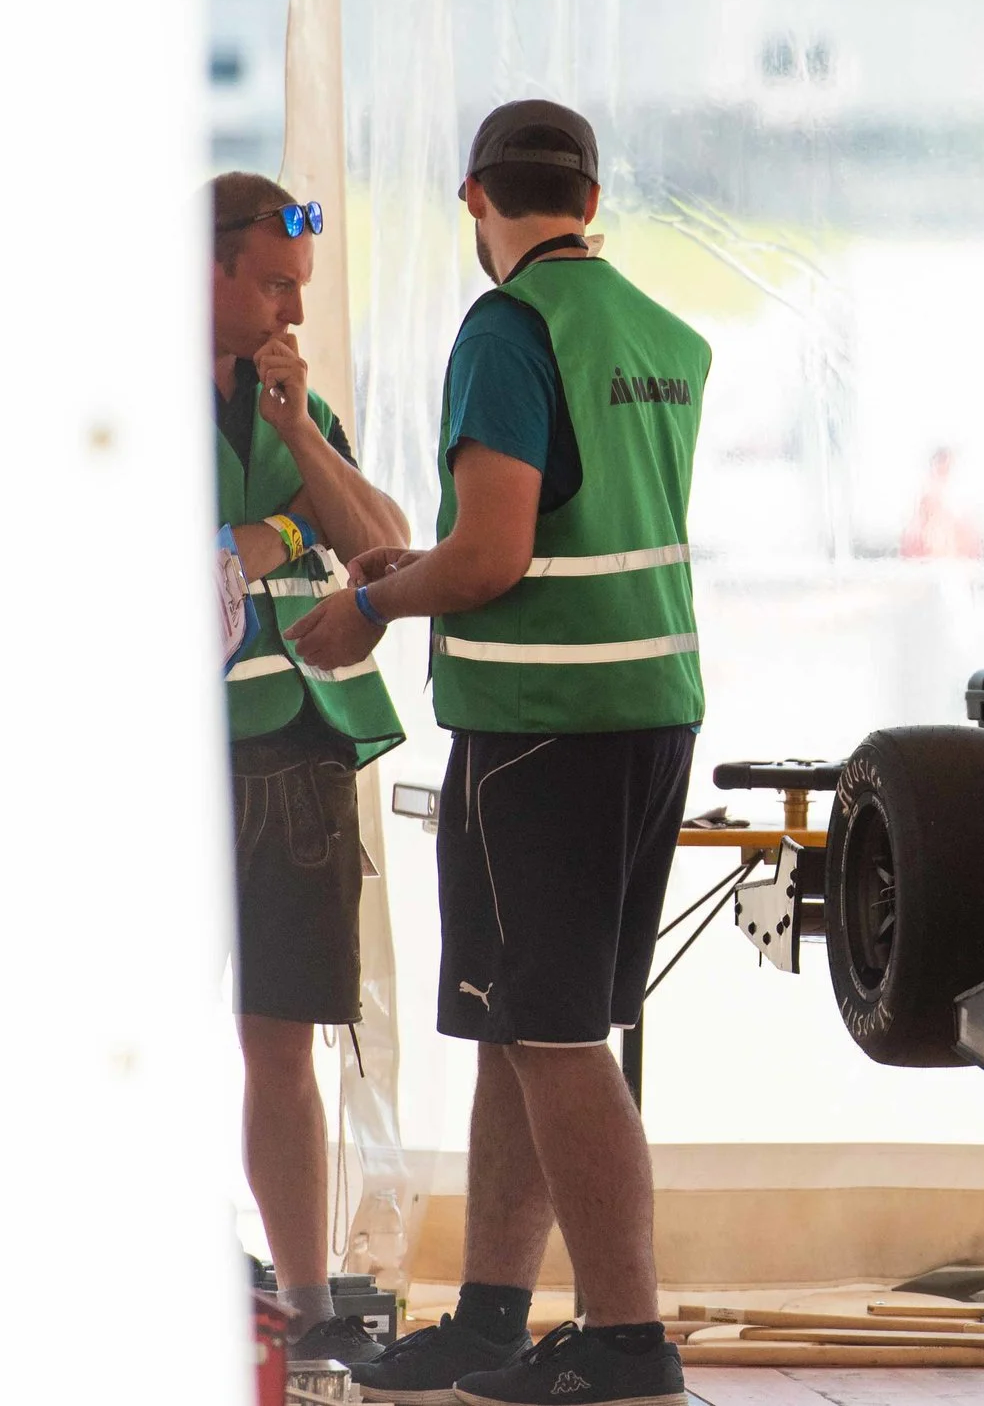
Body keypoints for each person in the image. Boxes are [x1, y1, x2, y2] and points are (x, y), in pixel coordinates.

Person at [288, 102, 711, 1406]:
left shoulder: (509, 328)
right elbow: (566, 527)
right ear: (593, 198)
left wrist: (371, 604)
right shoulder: (657, 329)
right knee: (514, 1024)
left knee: (557, 1037)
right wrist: (422, 563)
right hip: (647, 704)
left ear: (475, 195)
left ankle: (627, 1340)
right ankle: (489, 1318)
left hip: (540, 724)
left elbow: (494, 556)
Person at [209, 173, 409, 1366]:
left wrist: (297, 441)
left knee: (284, 1046)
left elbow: (382, 542)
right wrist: (289, 529)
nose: (293, 310)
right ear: (208, 268)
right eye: (275, 284)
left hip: (300, 757)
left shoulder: (297, 405)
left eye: (303, 289)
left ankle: (301, 1304)